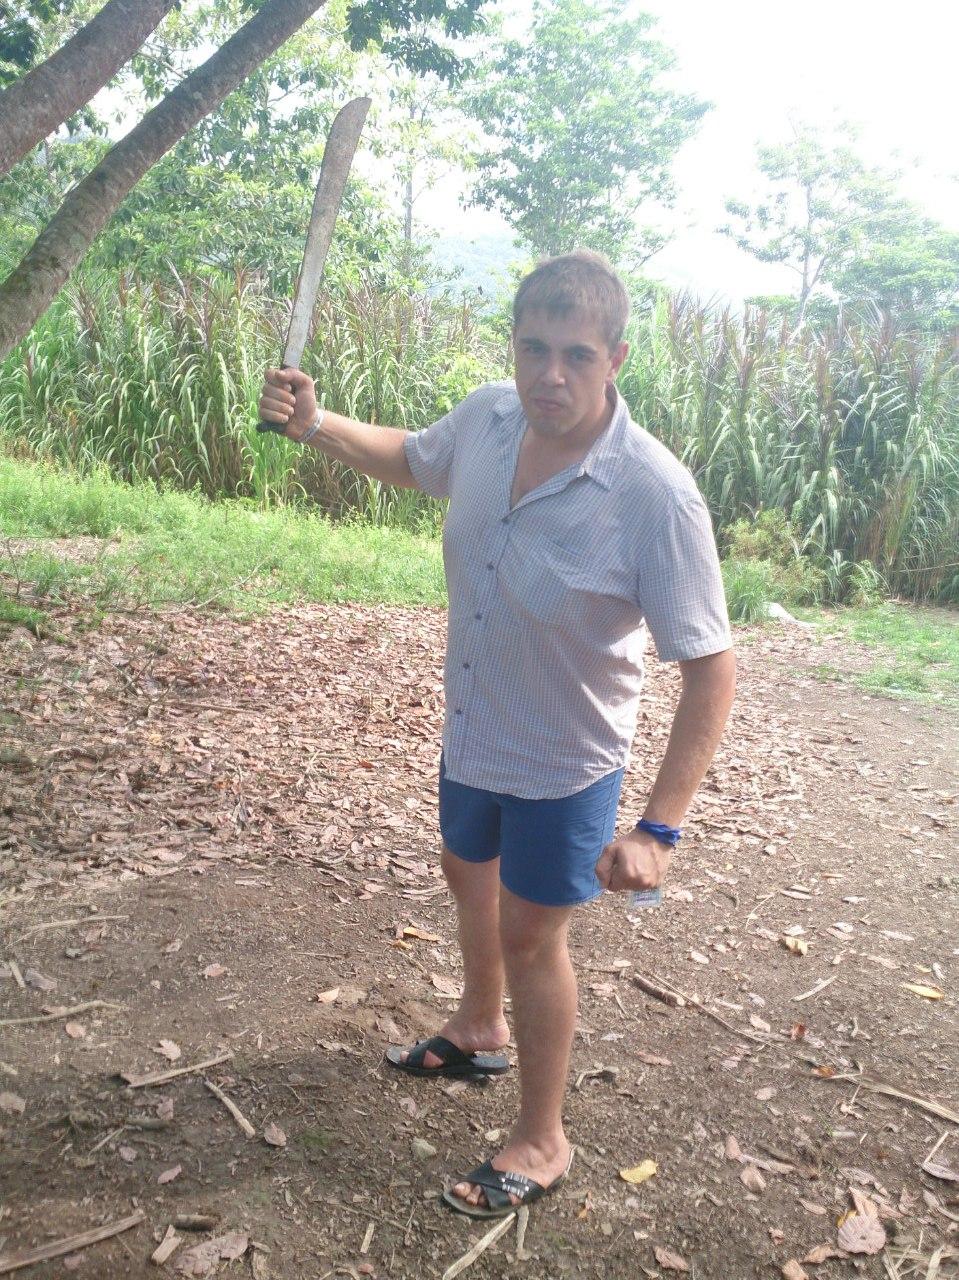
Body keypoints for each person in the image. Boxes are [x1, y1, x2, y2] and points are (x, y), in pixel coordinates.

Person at [258, 250, 735, 1219]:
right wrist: (315, 425)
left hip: (565, 758)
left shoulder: (651, 492)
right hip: (475, 721)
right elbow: (412, 458)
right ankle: (478, 1029)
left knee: (529, 933)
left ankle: (542, 1138)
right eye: (532, 348)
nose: (549, 374)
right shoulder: (487, 418)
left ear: (615, 358)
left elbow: (709, 667)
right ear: (512, 345)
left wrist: (658, 827)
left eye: (576, 354)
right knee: (463, 869)